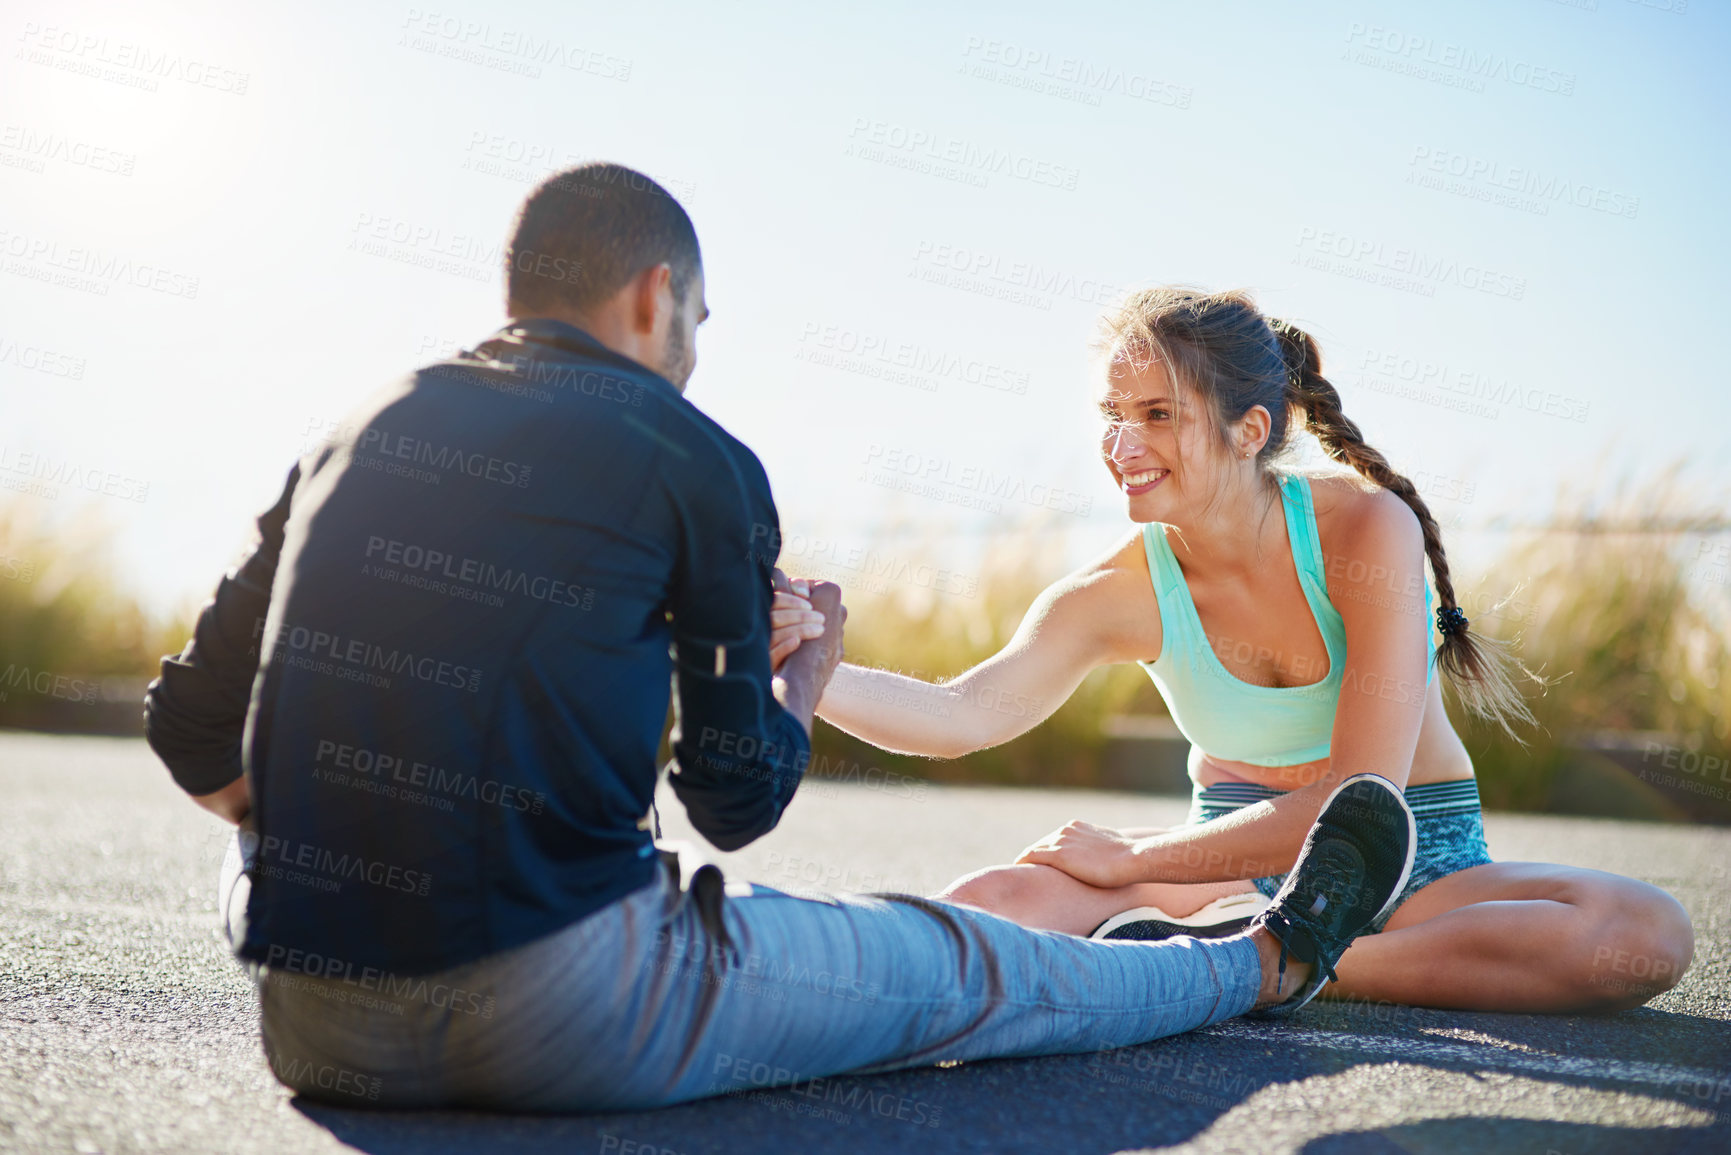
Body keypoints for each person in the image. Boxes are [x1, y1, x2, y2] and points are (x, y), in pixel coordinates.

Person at [144, 165, 1416, 1112]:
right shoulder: (693, 458)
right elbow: (737, 801)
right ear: (657, 299)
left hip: (311, 1033)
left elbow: (190, 721)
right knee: (961, 964)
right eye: (698, 324)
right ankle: (1269, 955)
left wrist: (349, 841)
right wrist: (799, 675)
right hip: (570, 1021)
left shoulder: (359, 428)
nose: (694, 353)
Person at [813, 287, 1695, 1015]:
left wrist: (1133, 861)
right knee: (991, 907)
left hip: (1410, 864)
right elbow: (958, 714)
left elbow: (1359, 802)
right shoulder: (1114, 591)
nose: (1121, 446)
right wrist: (800, 660)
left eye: (1156, 414)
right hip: (1226, 871)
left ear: (1248, 429)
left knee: (1639, 933)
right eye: (1112, 415)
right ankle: (1252, 950)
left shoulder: (1363, 530)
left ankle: (1271, 964)